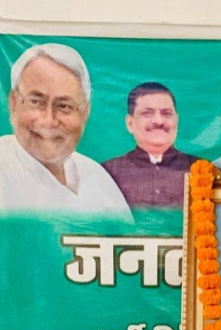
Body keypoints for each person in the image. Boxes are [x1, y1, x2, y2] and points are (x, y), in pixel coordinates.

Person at [0, 43, 131, 219]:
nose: (48, 121)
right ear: (13, 103)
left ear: (85, 113)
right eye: (36, 102)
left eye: (64, 106)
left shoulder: (96, 177)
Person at [102, 82, 202, 209]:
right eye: (147, 113)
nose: (158, 121)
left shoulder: (202, 171)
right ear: (130, 123)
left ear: (177, 121)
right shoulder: (107, 173)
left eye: (166, 113)